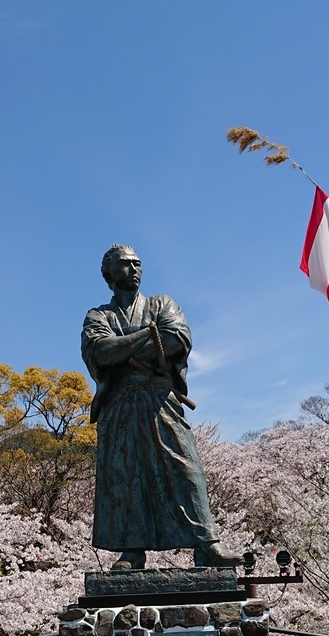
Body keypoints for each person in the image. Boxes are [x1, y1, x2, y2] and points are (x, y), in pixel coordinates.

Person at [81, 244, 243, 571]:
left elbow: (176, 340)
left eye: (137, 264)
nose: (134, 269)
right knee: (127, 475)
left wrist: (126, 349)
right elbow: (99, 352)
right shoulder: (99, 316)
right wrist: (147, 338)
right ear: (108, 275)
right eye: (125, 265)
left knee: (185, 466)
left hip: (160, 399)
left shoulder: (162, 304)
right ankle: (132, 550)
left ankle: (206, 544)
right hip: (120, 405)